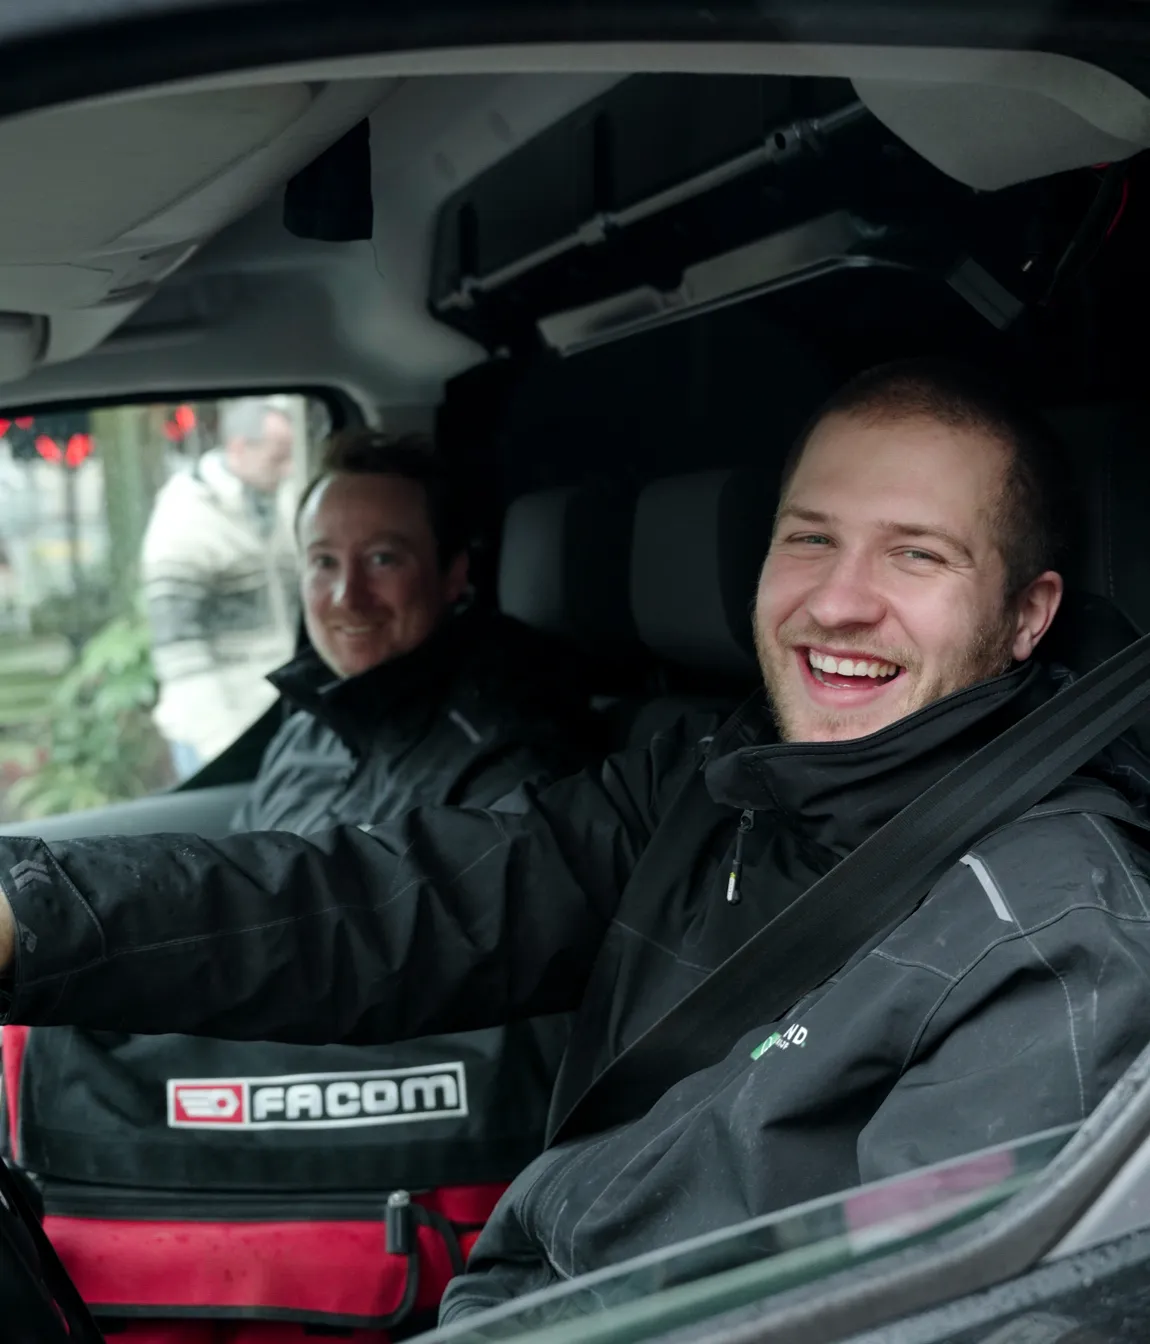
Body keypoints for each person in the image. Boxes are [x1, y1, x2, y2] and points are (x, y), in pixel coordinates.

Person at [4, 359, 1150, 1326]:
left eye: (916, 555)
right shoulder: (709, 782)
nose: (839, 601)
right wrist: (27, 917)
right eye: (810, 538)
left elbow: (947, 1310)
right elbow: (391, 907)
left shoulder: (1051, 929)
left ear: (1027, 615)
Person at [234, 427, 590, 832]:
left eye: (382, 559)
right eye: (325, 562)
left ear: (452, 575)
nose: (348, 598)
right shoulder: (308, 729)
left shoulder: (501, 753)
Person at [142, 395, 299, 776]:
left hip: (269, 716)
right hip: (215, 728)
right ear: (240, 448)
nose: (288, 469)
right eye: (277, 457)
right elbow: (178, 645)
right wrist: (218, 739)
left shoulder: (275, 506)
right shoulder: (186, 517)